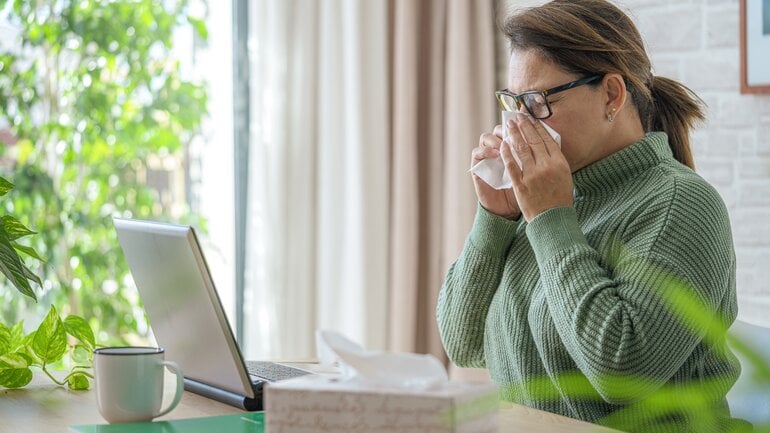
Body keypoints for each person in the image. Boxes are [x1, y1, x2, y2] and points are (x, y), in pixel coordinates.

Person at [436, 1, 750, 432]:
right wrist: (494, 217)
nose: (520, 125)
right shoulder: (542, 199)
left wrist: (550, 215)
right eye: (514, 103)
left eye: (538, 102)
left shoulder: (680, 203)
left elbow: (623, 373)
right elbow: (463, 343)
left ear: (611, 94)